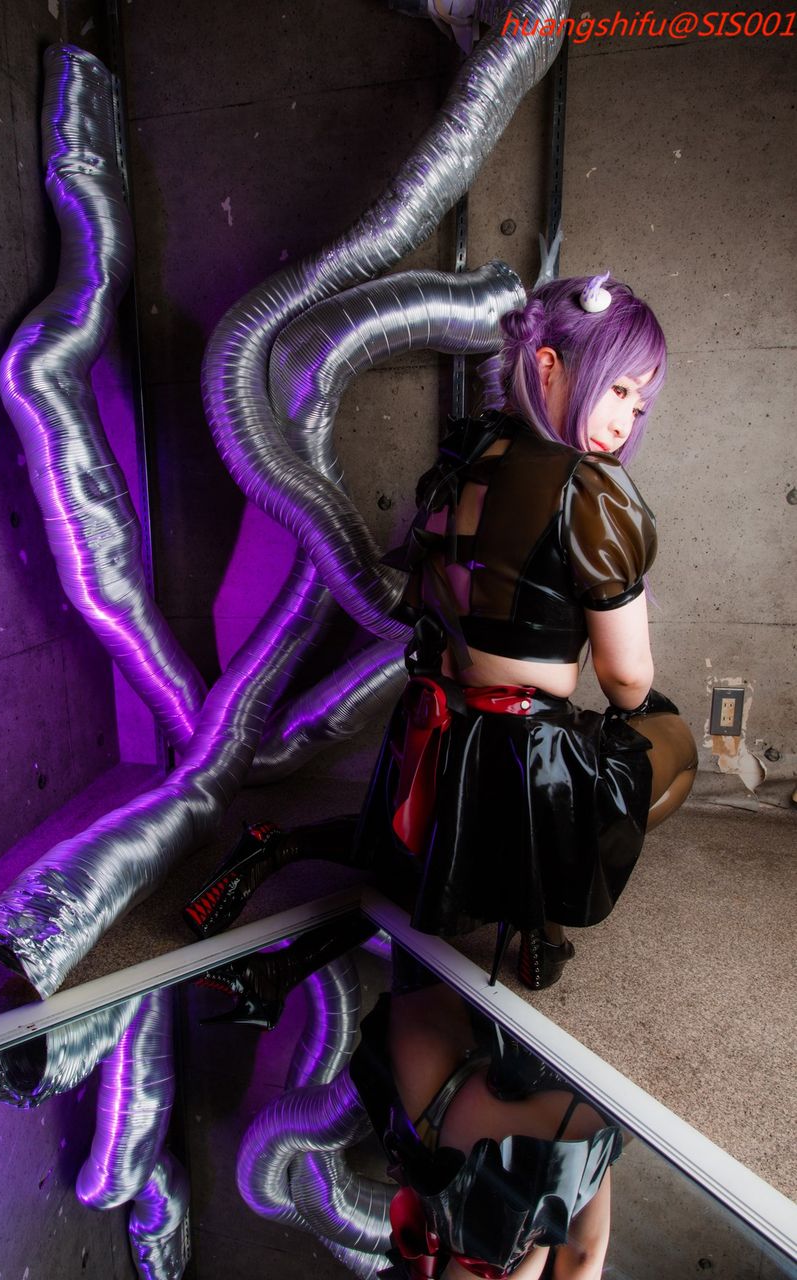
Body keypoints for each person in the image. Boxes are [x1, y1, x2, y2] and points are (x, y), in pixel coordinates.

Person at [184, 271, 698, 990]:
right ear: (548, 365)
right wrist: (636, 702)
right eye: (616, 390)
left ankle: (277, 844)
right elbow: (625, 677)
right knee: (669, 741)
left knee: (412, 845)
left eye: (638, 403)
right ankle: (540, 917)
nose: (624, 421)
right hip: (526, 745)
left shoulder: (463, 459)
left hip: (433, 724)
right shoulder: (590, 487)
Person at [350, 949, 621, 1279]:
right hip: (459, 1115)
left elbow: (586, 1257)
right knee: (427, 941)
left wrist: (546, 1229)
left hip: (565, 1137)